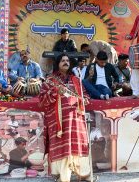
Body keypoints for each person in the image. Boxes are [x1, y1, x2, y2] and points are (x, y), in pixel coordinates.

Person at [38, 53, 97, 182]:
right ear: (57, 63)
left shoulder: (76, 79)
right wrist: (54, 92)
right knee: (63, 147)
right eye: (63, 60)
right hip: (59, 121)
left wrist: (85, 100)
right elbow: (42, 100)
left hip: (75, 119)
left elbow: (85, 95)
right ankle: (62, 177)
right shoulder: (49, 80)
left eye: (67, 61)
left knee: (78, 145)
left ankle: (85, 174)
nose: (66, 62)